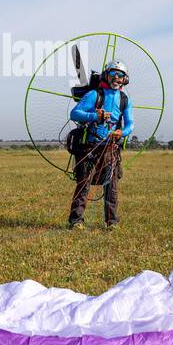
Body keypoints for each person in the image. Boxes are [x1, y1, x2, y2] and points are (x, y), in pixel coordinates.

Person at [67, 61, 134, 229]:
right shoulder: (94, 95)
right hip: (90, 146)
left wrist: (122, 132)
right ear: (106, 75)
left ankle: (111, 222)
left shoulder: (125, 100)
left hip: (111, 147)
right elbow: (74, 113)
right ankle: (76, 222)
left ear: (125, 79)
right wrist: (94, 116)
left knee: (111, 186)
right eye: (113, 74)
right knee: (83, 184)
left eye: (120, 75)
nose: (116, 78)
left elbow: (130, 123)